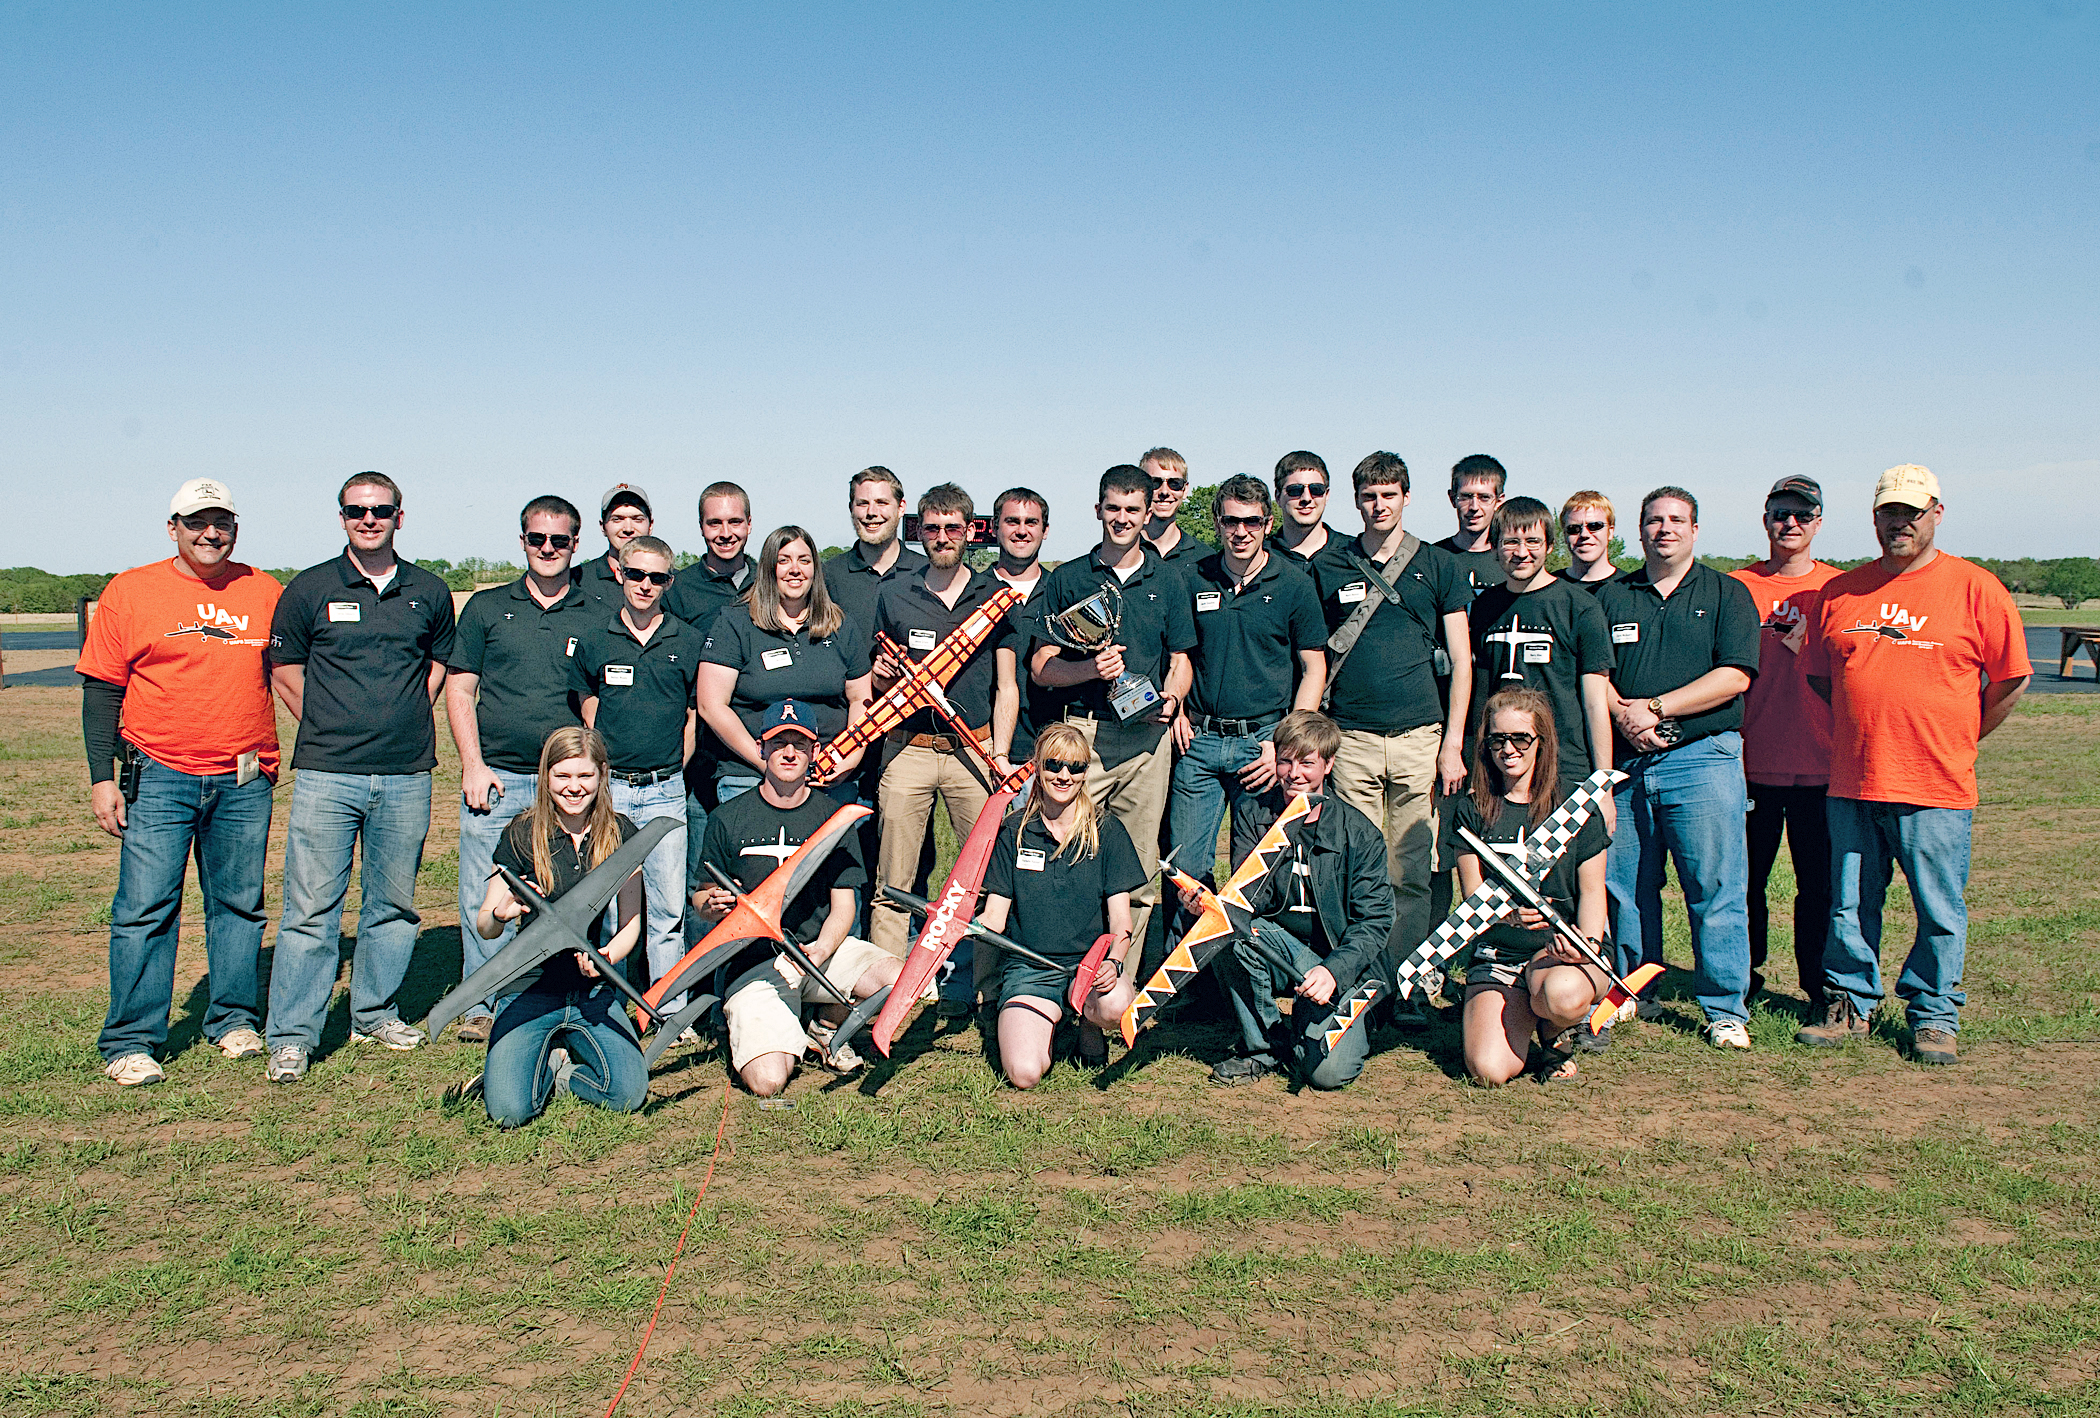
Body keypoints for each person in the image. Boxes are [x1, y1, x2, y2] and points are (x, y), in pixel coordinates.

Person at [1797, 465, 2029, 1066]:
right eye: (1889, 513)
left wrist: (1959, 734)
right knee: (1848, 902)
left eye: (1912, 513)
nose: (1900, 523)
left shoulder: (1976, 588)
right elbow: (1823, 680)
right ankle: (1848, 1003)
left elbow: (2009, 678)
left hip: (1936, 783)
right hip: (1852, 781)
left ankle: (1933, 1015)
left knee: (1939, 908)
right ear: (1874, 517)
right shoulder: (1841, 592)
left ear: (1936, 514)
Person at [79, 478, 282, 1086]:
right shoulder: (132, 590)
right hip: (158, 773)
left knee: (239, 907)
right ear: (174, 528)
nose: (210, 533)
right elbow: (101, 688)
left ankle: (233, 1019)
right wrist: (101, 778)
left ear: (235, 528)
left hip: (245, 777)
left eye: (221, 521)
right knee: (145, 908)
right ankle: (132, 1040)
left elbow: (293, 672)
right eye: (196, 522)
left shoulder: (264, 590)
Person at [265, 473, 457, 1082]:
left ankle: (374, 1012)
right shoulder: (309, 588)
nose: (368, 519)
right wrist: (332, 726)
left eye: (380, 510)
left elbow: (436, 667)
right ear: (341, 516)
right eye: (356, 510)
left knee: (393, 905)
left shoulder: (427, 590)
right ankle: (293, 1035)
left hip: (405, 774)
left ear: (400, 516)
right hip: (327, 773)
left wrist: (399, 720)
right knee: (311, 909)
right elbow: (286, 670)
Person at [1594, 487, 1761, 1049]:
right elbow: (1594, 669)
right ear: (1638, 531)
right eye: (1653, 521)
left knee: (1713, 885)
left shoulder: (1726, 594)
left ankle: (1724, 1009)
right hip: (1626, 763)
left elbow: (1735, 676)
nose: (1664, 529)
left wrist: (1657, 709)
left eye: (1676, 521)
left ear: (1695, 529)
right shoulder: (1614, 595)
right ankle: (1634, 990)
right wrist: (1623, 713)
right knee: (1626, 886)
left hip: (1702, 758)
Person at [1308, 452, 1472, 970]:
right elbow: (1312, 653)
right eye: (1368, 496)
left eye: (1387, 495)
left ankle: (1401, 979)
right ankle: (1357, 977)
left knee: (1411, 869)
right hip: (1350, 739)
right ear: (1355, 501)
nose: (1378, 506)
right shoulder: (1329, 564)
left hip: (1420, 738)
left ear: (1406, 497)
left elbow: (1462, 663)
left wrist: (1452, 745)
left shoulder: (1440, 566)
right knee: (1356, 866)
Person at [443, 494, 593, 1043]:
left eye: (560, 540)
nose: (548, 549)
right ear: (523, 541)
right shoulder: (486, 607)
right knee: (488, 889)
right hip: (499, 776)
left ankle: (550, 989)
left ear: (576, 544)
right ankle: (482, 1000)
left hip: (568, 783)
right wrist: (473, 765)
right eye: (538, 538)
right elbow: (460, 689)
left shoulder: (595, 609)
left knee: (564, 886)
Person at [1026, 464, 1195, 947]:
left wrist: (1174, 697)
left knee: (1136, 867)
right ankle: (1055, 972)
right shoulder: (1069, 579)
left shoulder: (1168, 578)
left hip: (1146, 740)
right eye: (1113, 509)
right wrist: (1088, 670)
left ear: (1148, 515)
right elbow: (1041, 667)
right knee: (1065, 850)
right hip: (1085, 737)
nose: (1122, 519)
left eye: (1132, 510)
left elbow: (1180, 659)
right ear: (1098, 510)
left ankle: (1117, 978)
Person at [692, 701, 899, 1096]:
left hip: (820, 954)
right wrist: (711, 905)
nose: (790, 753)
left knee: (900, 980)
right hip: (756, 963)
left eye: (800, 745)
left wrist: (819, 952)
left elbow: (845, 906)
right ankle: (771, 1025)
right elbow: (701, 899)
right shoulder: (728, 818)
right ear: (762, 749)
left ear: (815, 752)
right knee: (768, 1083)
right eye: (779, 743)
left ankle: (826, 1026)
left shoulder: (834, 818)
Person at [868, 485, 1021, 984]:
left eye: (952, 527)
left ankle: (983, 986)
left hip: (972, 751)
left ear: (972, 531)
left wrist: (999, 752)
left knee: (984, 877)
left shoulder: (994, 597)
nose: (941, 537)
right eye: (931, 528)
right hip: (908, 748)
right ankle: (884, 988)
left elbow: (1006, 685)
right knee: (894, 878)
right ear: (919, 531)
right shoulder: (895, 594)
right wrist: (884, 673)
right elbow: (874, 679)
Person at [1198, 711, 1395, 1089]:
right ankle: (1264, 1047)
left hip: (1342, 963)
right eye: (1285, 761)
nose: (1295, 774)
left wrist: (1334, 970)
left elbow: (1374, 922)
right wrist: (1209, 903)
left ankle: (1347, 1022)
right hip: (1285, 952)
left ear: (1329, 764)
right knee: (1227, 927)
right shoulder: (1254, 816)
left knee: (1326, 1074)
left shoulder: (1359, 833)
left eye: (1307, 763)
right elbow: (1246, 902)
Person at [472, 727, 649, 1127]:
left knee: (627, 1093)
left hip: (593, 991)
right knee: (509, 1112)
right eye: (562, 776)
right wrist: (501, 914)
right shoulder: (522, 833)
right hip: (530, 988)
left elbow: (631, 924)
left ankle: (565, 1072)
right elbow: (484, 925)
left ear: (602, 774)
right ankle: (536, 1061)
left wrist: (607, 957)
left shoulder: (620, 833)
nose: (574, 788)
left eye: (584, 776)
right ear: (545, 777)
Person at [1169, 476, 1327, 902]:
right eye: (1230, 522)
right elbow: (1179, 656)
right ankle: (1192, 969)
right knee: (1185, 873)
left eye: (1251, 522)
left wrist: (1285, 744)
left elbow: (1314, 668)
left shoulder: (1294, 583)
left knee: (1253, 871)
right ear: (1217, 523)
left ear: (1267, 523)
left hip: (1262, 746)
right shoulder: (1191, 578)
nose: (1241, 532)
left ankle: (1250, 967)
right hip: (1198, 744)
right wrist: (1177, 709)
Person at [1447, 690, 1613, 1086]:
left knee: (1562, 996)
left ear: (1542, 741)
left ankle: (1556, 1032)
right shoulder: (1470, 810)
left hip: (1562, 954)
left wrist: (1584, 944)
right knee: (1489, 1071)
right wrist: (1507, 915)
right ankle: (1523, 1019)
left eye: (1521, 738)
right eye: (1497, 739)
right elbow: (1472, 897)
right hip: (1500, 952)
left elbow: (1592, 891)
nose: (1509, 749)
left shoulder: (1574, 805)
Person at [569, 535, 701, 1005]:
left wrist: (671, 769)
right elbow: (585, 694)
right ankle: (610, 1005)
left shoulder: (686, 640)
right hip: (612, 793)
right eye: (636, 574)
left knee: (667, 907)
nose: (645, 584)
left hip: (666, 791)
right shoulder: (594, 637)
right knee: (611, 908)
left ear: (669, 581)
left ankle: (669, 1006)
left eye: (657, 577)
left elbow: (692, 714)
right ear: (620, 574)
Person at [976, 724, 1146, 1087]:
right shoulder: (1014, 831)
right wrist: (958, 924)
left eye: (1076, 767)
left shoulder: (1106, 829)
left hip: (1090, 967)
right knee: (1024, 1074)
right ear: (1037, 766)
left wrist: (1113, 962)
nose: (1064, 775)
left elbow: (1120, 920)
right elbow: (994, 916)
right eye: (1054, 765)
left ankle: (1087, 1020)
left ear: (1086, 772)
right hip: (1030, 970)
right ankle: (1049, 1021)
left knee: (1116, 1006)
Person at [1730, 476, 1842, 1015]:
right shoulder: (1734, 587)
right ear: (1766, 517)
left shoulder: (1841, 590)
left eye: (1803, 514)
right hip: (1749, 765)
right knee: (1744, 885)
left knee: (1819, 887)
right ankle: (1740, 981)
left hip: (1823, 765)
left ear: (1819, 521)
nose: (1790, 524)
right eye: (1781, 514)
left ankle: (1819, 988)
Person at [698, 525, 874, 804]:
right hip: (751, 776)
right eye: (784, 560)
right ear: (769, 568)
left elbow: (860, 699)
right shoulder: (736, 623)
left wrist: (848, 758)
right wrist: (765, 762)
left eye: (804, 560)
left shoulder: (840, 625)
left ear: (815, 569)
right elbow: (711, 705)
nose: (795, 569)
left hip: (828, 776)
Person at [662, 481, 760, 952]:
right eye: (714, 523)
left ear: (748, 523)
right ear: (701, 526)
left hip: (754, 753)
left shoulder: (770, 580)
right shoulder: (679, 589)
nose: (725, 532)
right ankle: (700, 983)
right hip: (699, 757)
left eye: (734, 522)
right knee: (705, 877)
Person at [1464, 497, 1616, 788]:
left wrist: (1602, 785)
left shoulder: (1580, 607)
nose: (1522, 553)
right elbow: (1479, 696)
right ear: (1494, 547)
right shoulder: (1484, 606)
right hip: (1499, 766)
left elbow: (1595, 703)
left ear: (1549, 545)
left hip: (1564, 766)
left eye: (1533, 541)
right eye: (1510, 542)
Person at [989, 486, 1054, 764]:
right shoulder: (974, 592)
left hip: (1050, 747)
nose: (1021, 530)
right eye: (1012, 521)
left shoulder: (1062, 591)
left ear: (1045, 530)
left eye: (1031, 522)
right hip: (986, 746)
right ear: (994, 528)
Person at [822, 466, 927, 638]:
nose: (871, 512)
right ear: (851, 508)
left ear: (901, 508)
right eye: (863, 504)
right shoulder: (828, 576)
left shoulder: (927, 573)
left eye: (881, 503)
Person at [578, 484, 666, 611]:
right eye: (617, 519)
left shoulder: (673, 584)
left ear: (650, 525)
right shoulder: (577, 580)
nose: (628, 529)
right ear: (603, 526)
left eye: (637, 519)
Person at [1434, 454, 1508, 598]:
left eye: (1484, 497)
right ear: (1452, 499)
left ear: (1499, 501)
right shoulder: (1434, 559)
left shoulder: (1511, 560)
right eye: (1466, 497)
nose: (1474, 507)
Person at [1138, 446, 1212, 570]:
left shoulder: (1205, 559)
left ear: (1185, 489)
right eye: (1155, 483)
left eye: (1175, 483)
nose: (1165, 492)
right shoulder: (1121, 554)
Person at [1269, 451, 1342, 567]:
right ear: (1278, 496)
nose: (1306, 498)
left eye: (1316, 489)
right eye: (1295, 490)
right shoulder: (1261, 558)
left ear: (1326, 495)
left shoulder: (1352, 554)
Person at [1558, 491, 1621, 590]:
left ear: (1610, 532)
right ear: (1565, 535)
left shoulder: (1630, 591)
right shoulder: (1547, 589)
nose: (1584, 534)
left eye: (1594, 526)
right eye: (1574, 528)